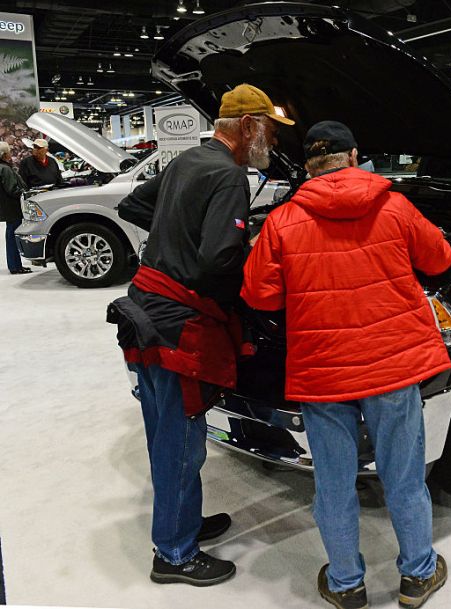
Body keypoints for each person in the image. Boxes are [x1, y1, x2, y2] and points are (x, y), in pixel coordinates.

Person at [242, 121, 451, 609]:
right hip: (391, 366)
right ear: (354, 156)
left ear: (309, 167)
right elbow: (440, 259)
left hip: (324, 371)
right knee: (403, 476)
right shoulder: (395, 205)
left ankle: (345, 584)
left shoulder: (282, 221)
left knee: (333, 484)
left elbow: (260, 293)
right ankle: (418, 575)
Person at [107, 84, 292, 585]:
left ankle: (182, 523)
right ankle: (174, 553)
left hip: (144, 314)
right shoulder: (229, 175)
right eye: (271, 131)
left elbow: (133, 207)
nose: (272, 142)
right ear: (249, 125)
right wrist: (248, 251)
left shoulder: (188, 160)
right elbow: (217, 263)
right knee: (182, 441)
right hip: (178, 329)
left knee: (163, 431)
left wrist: (179, 240)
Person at [0, 142, 30, 274]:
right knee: (12, 237)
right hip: (12, 208)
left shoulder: (4, 167)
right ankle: (15, 266)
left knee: (10, 236)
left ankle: (15, 265)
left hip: (7, 208)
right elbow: (12, 189)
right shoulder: (5, 169)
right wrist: (26, 193)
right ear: (4, 154)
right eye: (9, 152)